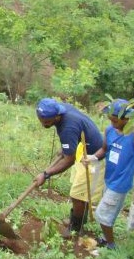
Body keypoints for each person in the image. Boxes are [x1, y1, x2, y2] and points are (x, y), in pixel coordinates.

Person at [32, 98, 105, 237]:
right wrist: (67, 147)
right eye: (41, 119)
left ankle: (76, 229)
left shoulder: (67, 128)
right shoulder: (61, 109)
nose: (43, 124)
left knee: (78, 196)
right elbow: (71, 146)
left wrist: (45, 174)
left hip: (92, 158)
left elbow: (68, 161)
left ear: (57, 116)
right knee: (78, 192)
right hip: (81, 150)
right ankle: (77, 220)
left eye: (46, 121)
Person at [86, 99, 134, 250]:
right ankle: (107, 239)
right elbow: (104, 149)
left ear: (127, 118)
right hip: (109, 178)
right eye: (111, 120)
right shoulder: (109, 131)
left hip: (121, 183)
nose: (112, 123)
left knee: (102, 214)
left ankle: (111, 246)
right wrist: (92, 157)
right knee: (108, 213)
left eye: (115, 121)